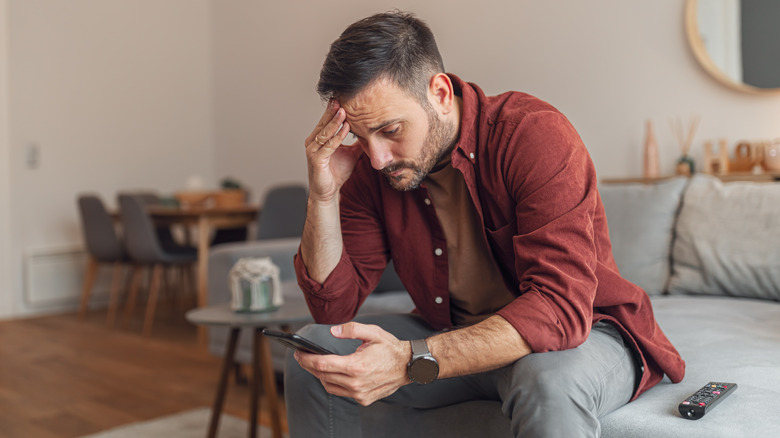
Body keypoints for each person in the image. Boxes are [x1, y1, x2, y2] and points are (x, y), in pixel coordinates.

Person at [286, 11, 685, 438]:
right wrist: (324, 194)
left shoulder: (531, 134)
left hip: (584, 333)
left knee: (546, 382)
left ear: (439, 93)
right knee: (319, 353)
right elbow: (332, 309)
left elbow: (560, 310)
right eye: (361, 138)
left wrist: (410, 358)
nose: (378, 156)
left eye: (390, 129)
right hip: (455, 333)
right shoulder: (372, 169)